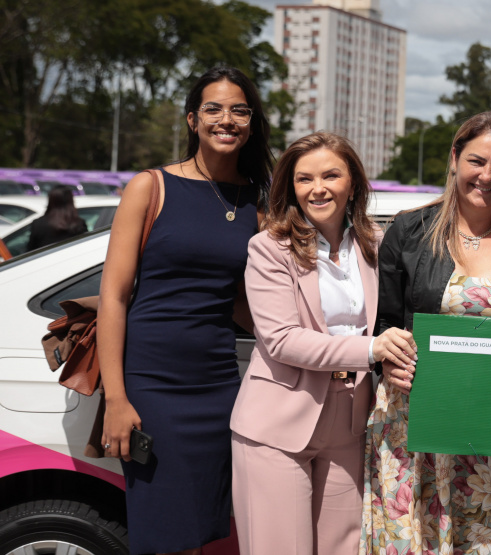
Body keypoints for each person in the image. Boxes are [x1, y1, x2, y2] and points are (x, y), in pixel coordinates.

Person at [360, 111, 491, 555]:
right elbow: (384, 324)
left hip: (487, 427)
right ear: (455, 157)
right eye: (477, 161)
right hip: (411, 421)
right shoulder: (409, 231)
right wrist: (388, 359)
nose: (486, 176)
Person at [97, 66, 273, 555]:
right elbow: (113, 297)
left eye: (239, 110)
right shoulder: (149, 187)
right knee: (164, 536)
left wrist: (314, 346)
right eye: (213, 109)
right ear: (193, 119)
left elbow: (240, 301)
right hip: (152, 385)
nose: (227, 119)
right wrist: (117, 398)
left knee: (197, 534)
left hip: (220, 387)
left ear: (252, 124)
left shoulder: (257, 202)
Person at [230, 132, 416, 555]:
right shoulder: (269, 249)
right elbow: (282, 340)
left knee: (343, 549)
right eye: (304, 179)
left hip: (350, 424)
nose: (318, 189)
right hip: (277, 425)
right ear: (290, 188)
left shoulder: (375, 246)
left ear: (353, 183)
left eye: (331, 175)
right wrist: (372, 350)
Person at [26, 185, 87, 251]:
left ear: (50, 201)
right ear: (71, 201)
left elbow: (31, 250)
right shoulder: (79, 224)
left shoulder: (38, 224)